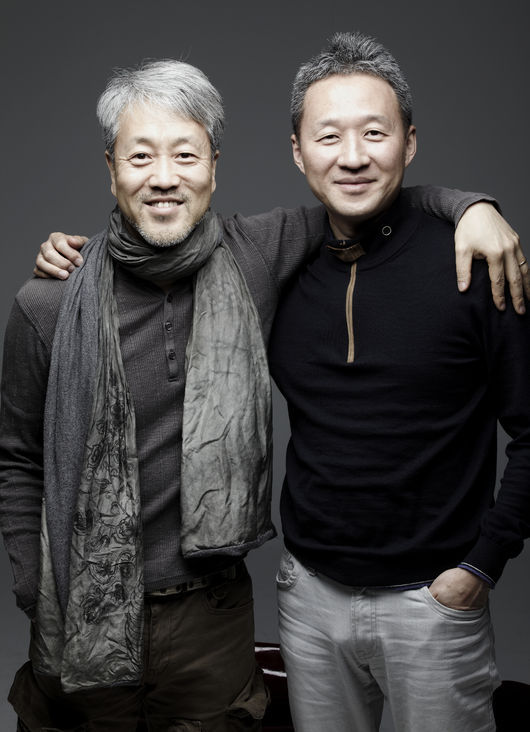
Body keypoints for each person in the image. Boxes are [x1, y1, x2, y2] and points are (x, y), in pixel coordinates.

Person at [10, 55, 527, 731]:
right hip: (103, 605)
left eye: (185, 155)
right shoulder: (52, 302)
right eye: (140, 156)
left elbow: (368, 195)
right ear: (111, 168)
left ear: (214, 167)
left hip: (224, 613)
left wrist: (472, 206)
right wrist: (34, 586)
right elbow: (17, 458)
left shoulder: (254, 255)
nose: (164, 176)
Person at [265, 32, 530, 731]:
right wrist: (68, 258)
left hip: (434, 603)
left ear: (409, 144)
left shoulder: (475, 262)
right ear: (298, 151)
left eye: (375, 133)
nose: (353, 156)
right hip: (309, 596)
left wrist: (482, 564)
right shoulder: (277, 265)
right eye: (329, 136)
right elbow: (161, 245)